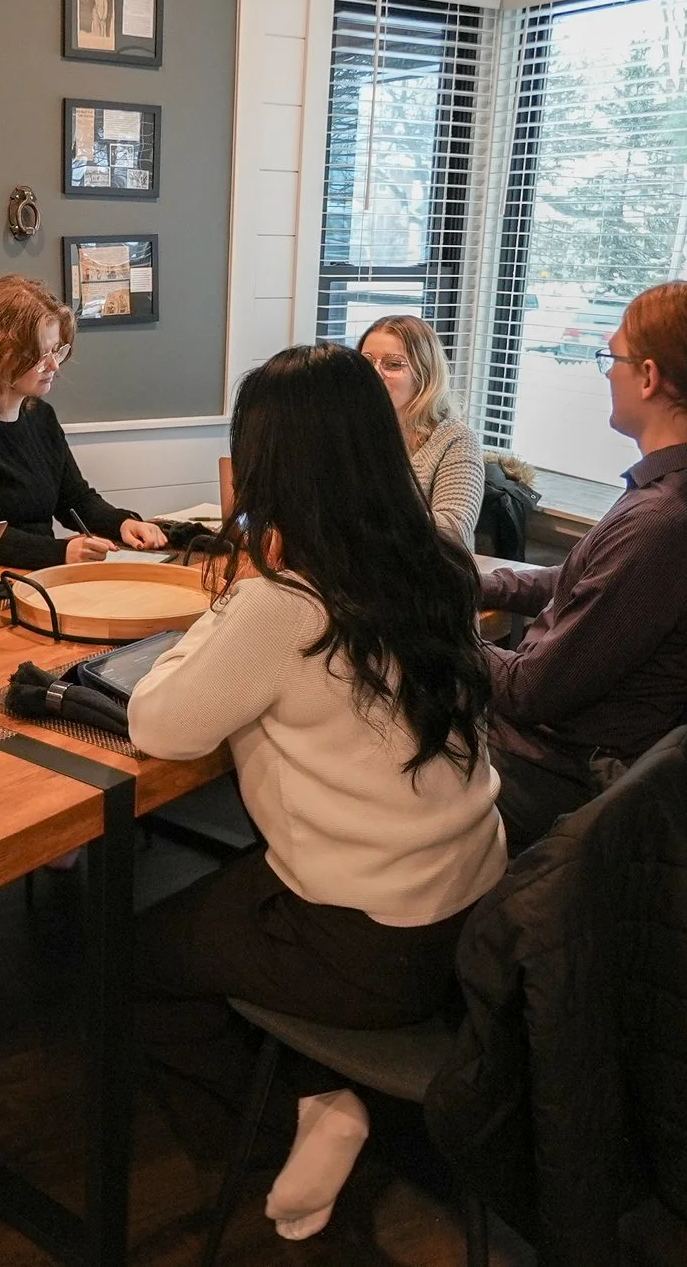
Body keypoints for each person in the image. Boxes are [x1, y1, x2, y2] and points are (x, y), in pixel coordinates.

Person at [130, 343, 505, 1242]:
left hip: (367, 945)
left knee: (128, 962)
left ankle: (289, 1123)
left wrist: (232, 599)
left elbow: (157, 723)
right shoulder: (440, 567)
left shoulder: (284, 604)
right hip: (475, 904)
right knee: (229, 891)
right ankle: (316, 1088)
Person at [480, 280, 687, 851]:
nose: (607, 373)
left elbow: (528, 691)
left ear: (648, 377)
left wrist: (417, 619)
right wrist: (476, 582)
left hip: (552, 778)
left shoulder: (666, 522)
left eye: (612, 358)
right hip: (552, 754)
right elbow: (578, 582)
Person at [0, 274, 170, 567]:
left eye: (56, 351)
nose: (53, 366)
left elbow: (74, 498)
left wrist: (121, 523)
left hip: (37, 571)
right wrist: (59, 554)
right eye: (40, 355)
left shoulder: (41, 416)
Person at [358, 313, 483, 552]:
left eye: (393, 364)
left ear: (425, 374)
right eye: (366, 362)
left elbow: (454, 528)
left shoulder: (455, 439)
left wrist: (364, 516)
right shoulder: (350, 430)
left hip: (426, 578)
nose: (375, 373)